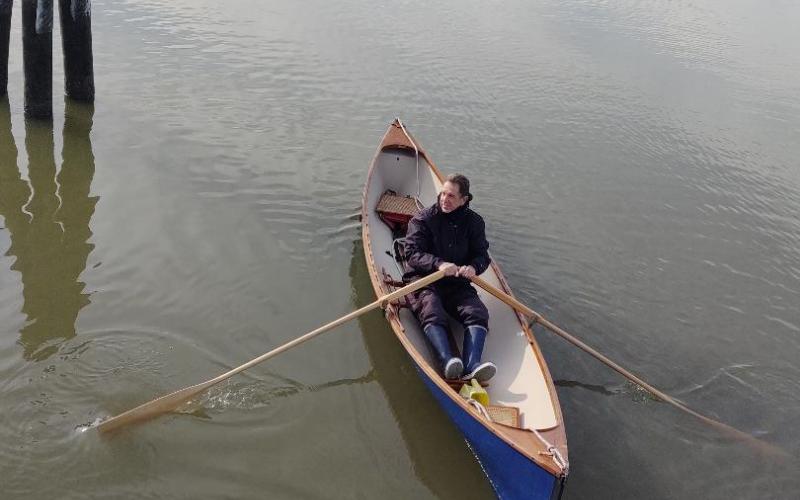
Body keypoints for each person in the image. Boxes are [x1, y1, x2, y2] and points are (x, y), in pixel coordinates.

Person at [404, 174, 496, 382]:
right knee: (431, 309)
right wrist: (438, 264)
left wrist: (474, 267)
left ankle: (473, 365)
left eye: (451, 196)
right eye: (443, 194)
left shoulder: (474, 222)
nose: (445, 199)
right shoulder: (423, 219)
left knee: (477, 312)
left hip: (456, 282)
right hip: (424, 278)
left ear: (464, 199)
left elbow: (482, 256)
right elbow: (411, 253)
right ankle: (447, 362)